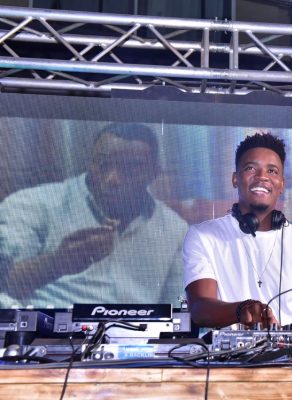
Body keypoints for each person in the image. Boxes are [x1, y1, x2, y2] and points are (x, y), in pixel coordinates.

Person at [0, 122, 188, 308]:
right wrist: (56, 263)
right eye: (103, 164)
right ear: (90, 162)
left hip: (137, 327)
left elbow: (179, 306)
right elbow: (4, 284)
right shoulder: (33, 204)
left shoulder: (175, 228)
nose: (112, 179)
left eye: (129, 168)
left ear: (154, 173)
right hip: (52, 323)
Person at [182, 132, 292, 329]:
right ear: (235, 179)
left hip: (288, 349)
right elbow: (200, 308)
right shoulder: (203, 236)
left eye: (272, 171)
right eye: (251, 168)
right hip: (227, 349)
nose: (262, 177)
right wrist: (243, 310)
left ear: (282, 184)